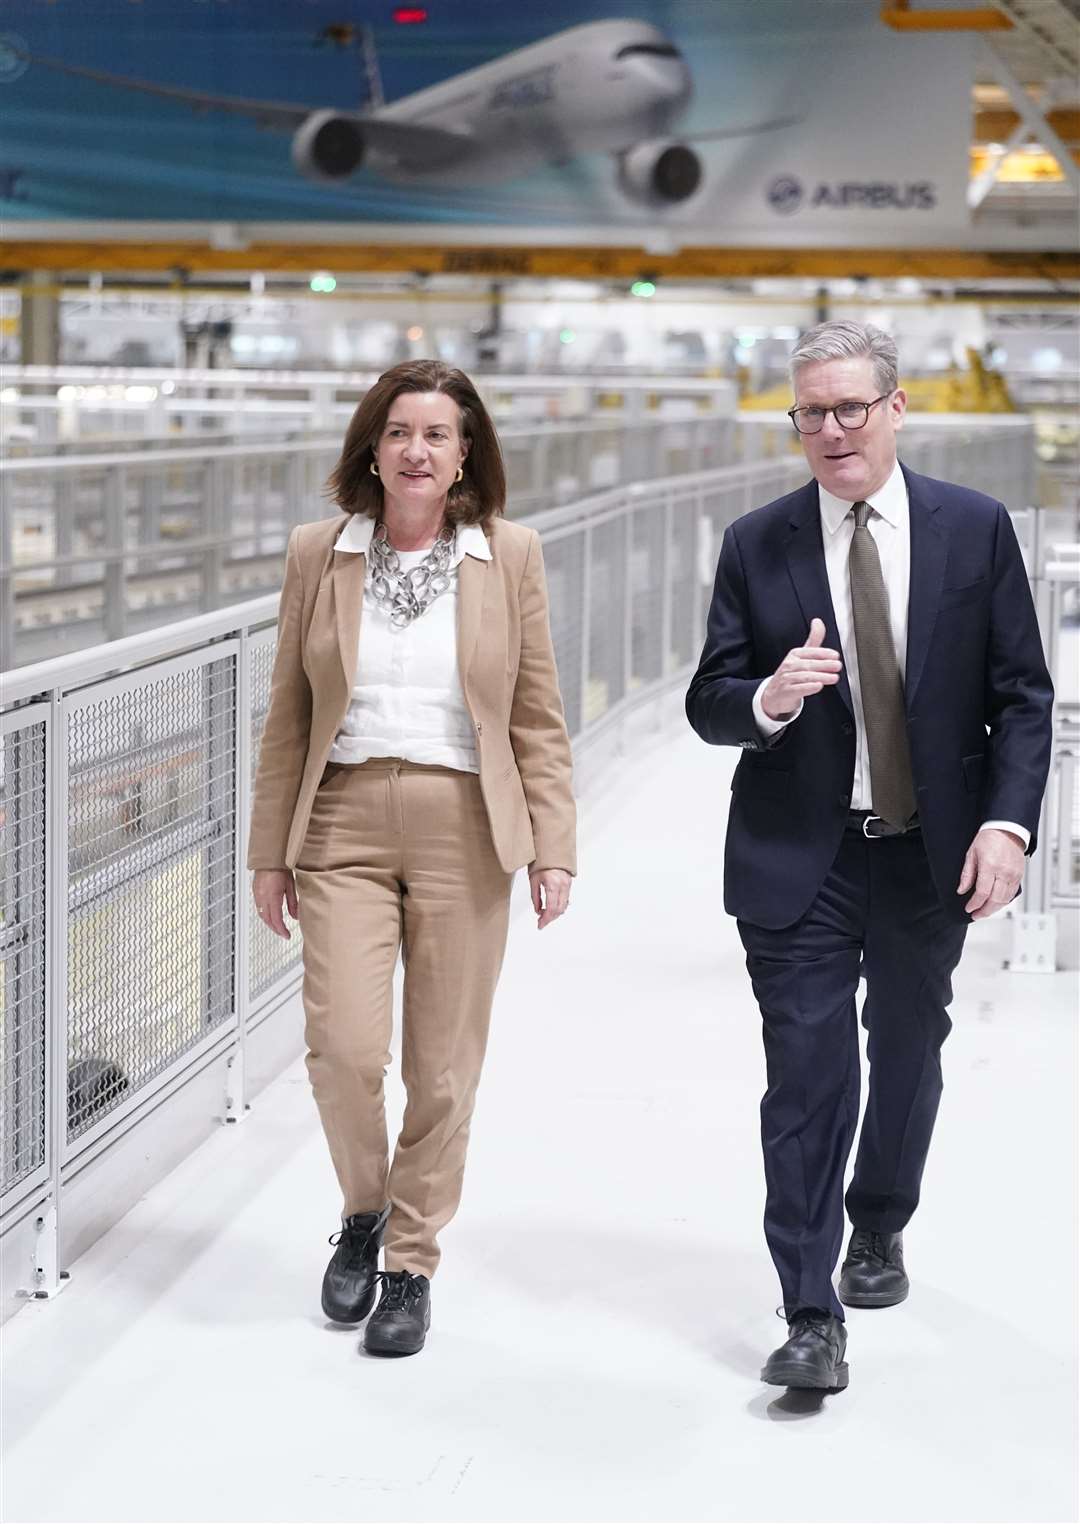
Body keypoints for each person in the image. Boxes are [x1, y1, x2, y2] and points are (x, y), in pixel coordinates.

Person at [686, 320, 1053, 1393]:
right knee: (806, 1077)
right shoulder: (759, 541)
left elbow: (1022, 696)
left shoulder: (972, 529)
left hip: (926, 852)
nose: (832, 429)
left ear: (897, 408)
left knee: (905, 1048)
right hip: (799, 854)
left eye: (851, 407)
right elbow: (711, 699)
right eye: (812, 412)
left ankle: (879, 1221)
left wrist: (1008, 822)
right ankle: (809, 1311)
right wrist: (766, 696)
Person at [248, 360, 576, 1357]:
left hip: (465, 825)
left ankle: (411, 1261)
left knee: (442, 1067)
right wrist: (271, 852)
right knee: (346, 1051)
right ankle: (363, 1213)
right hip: (340, 820)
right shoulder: (320, 552)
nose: (418, 450)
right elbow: (287, 718)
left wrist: (553, 846)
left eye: (438, 433)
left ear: (466, 451)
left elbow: (535, 713)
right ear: (373, 448)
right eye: (400, 432)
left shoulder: (507, 554)